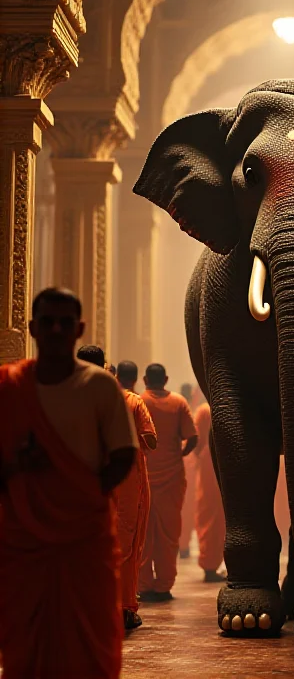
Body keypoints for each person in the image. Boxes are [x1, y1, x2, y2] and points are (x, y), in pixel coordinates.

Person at [0, 288, 138, 679]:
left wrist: (85, 492)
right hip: (23, 539)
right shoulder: (9, 387)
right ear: (32, 328)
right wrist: (18, 470)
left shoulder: (100, 388)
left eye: (65, 322)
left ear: (78, 329)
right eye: (47, 321)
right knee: (25, 643)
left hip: (85, 537)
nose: (56, 329)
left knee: (89, 639)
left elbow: (123, 453)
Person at [139, 363, 198, 601]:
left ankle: (143, 585)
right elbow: (192, 438)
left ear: (145, 379)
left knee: (142, 533)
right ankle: (164, 585)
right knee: (169, 533)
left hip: (143, 477)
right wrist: (179, 454)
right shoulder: (179, 403)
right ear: (165, 378)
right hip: (172, 477)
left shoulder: (139, 401)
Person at [116, 360, 157, 630]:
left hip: (84, 481)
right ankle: (125, 607)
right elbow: (150, 440)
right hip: (127, 482)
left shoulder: (71, 398)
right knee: (128, 545)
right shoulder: (133, 401)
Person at [193, 402, 226, 582]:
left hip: (207, 462)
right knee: (220, 514)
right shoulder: (225, 406)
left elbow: (195, 440)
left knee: (207, 512)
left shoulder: (203, 410)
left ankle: (209, 563)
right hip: (224, 460)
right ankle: (213, 563)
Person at [179, 382, 199, 559]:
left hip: (169, 460)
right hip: (188, 461)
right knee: (186, 506)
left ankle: (180, 545)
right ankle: (183, 546)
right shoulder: (189, 410)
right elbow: (195, 439)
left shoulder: (175, 405)